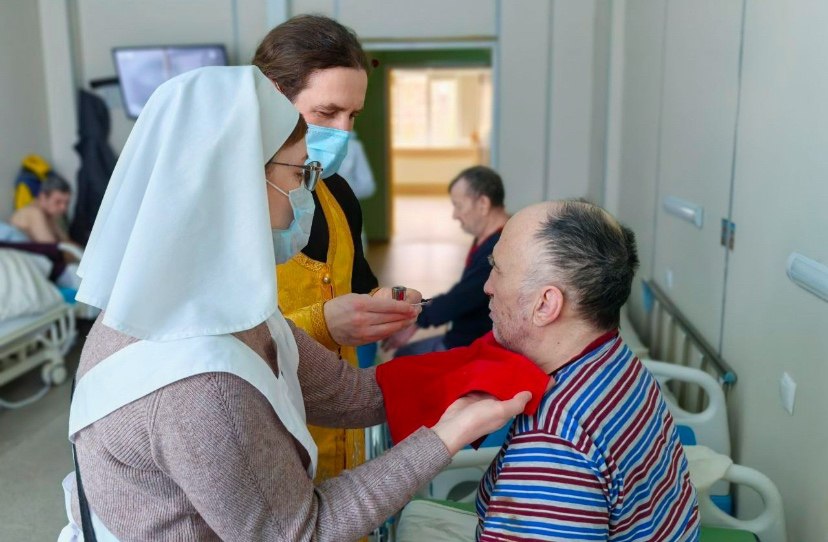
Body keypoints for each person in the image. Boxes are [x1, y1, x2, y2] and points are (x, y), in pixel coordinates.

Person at [58, 65, 531, 542]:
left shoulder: (222, 306)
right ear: (238, 183)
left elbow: (350, 393)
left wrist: (488, 363)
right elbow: (303, 532)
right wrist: (444, 438)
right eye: (301, 173)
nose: (309, 193)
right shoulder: (202, 386)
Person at [471, 200, 700, 540]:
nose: (487, 286)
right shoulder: (615, 359)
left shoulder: (553, 444)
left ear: (545, 304)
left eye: (498, 270)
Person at [253, 14, 418, 481]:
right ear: (272, 98)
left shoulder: (337, 192)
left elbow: (356, 283)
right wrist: (321, 324)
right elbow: (204, 347)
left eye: (353, 116)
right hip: (269, 441)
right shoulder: (226, 210)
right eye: (326, 114)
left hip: (341, 435)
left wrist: (382, 308)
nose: (343, 132)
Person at [383, 166, 509, 356]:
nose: (455, 215)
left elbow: (462, 297)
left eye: (458, 205)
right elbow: (463, 292)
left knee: (402, 357)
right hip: (465, 336)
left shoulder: (499, 248)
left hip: (473, 346)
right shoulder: (491, 237)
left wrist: (417, 319)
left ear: (483, 204)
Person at [10, 175, 83, 289]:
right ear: (43, 197)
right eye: (58, 202)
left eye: (66, 203)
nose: (63, 208)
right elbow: (54, 252)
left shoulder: (51, 216)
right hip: (28, 273)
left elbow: (68, 245)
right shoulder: (33, 213)